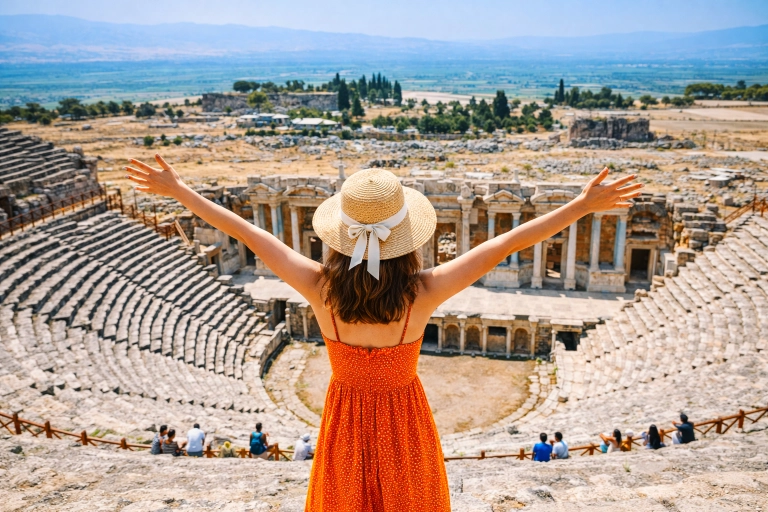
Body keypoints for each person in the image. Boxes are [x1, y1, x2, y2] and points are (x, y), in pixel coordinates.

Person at [126, 155, 639, 511]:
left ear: (338, 237)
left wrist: (178, 190)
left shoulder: (320, 289)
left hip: (345, 418)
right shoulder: (424, 291)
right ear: (407, 240)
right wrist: (581, 205)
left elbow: (249, 234)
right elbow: (503, 245)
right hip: (404, 418)